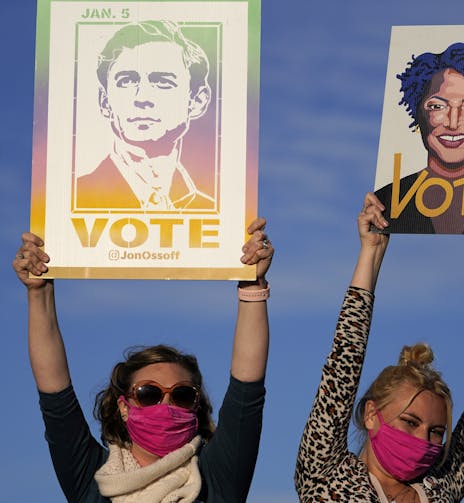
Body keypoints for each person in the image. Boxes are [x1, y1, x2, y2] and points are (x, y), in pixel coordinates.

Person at [295, 193, 464, 502]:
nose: (423, 440)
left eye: (436, 432)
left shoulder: (440, 488)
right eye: (410, 422)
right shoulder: (327, 475)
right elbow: (343, 364)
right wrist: (369, 254)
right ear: (372, 414)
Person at [13, 217, 274, 502]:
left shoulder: (215, 478)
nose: (166, 404)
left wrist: (253, 285)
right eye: (148, 394)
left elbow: (247, 389)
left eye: (183, 395)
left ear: (197, 405)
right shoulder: (93, 480)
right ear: (123, 407)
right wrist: (38, 292)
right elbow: (55, 392)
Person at [375, 41, 464, 235]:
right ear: (418, 114)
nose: (453, 123)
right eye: (437, 106)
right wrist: (372, 246)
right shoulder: (386, 203)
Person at [76, 20, 215, 211]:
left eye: (163, 82)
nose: (142, 98)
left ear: (198, 100)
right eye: (126, 81)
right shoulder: (68, 205)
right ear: (104, 101)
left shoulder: (217, 214)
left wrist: (253, 242)